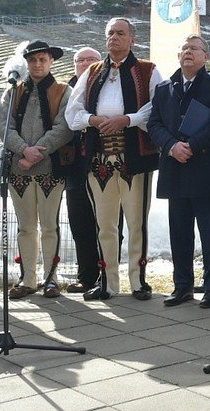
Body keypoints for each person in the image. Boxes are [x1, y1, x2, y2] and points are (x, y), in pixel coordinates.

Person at [66, 17, 162, 301]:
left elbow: (157, 107)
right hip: (98, 159)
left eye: (120, 33)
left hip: (135, 158)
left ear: (132, 39)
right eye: (110, 33)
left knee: (136, 223)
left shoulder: (148, 70)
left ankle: (138, 281)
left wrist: (127, 119)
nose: (114, 38)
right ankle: (108, 282)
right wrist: (93, 120)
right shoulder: (92, 72)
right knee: (104, 224)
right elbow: (72, 113)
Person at [149, 35, 210, 309]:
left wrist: (193, 145)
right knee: (179, 233)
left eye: (194, 48)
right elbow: (154, 124)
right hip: (175, 168)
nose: (188, 52)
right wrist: (172, 146)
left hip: (206, 170)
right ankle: (182, 286)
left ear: (205, 57)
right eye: (184, 48)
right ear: (178, 55)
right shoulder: (164, 88)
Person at [0, 41, 74, 300]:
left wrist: (35, 153)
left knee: (50, 225)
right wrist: (23, 150)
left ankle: (51, 278)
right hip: (19, 170)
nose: (37, 64)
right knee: (25, 227)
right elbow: (5, 127)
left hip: (50, 168)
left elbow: (64, 128)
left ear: (51, 61)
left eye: (42, 59)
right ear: (26, 63)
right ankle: (28, 278)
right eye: (32, 60)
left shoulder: (64, 91)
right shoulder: (13, 92)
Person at [65, 47, 103, 293]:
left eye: (92, 60)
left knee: (108, 226)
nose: (86, 64)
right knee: (80, 225)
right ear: (74, 65)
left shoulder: (109, 87)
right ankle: (86, 277)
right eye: (81, 60)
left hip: (105, 166)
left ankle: (107, 276)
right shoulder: (65, 91)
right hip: (75, 168)